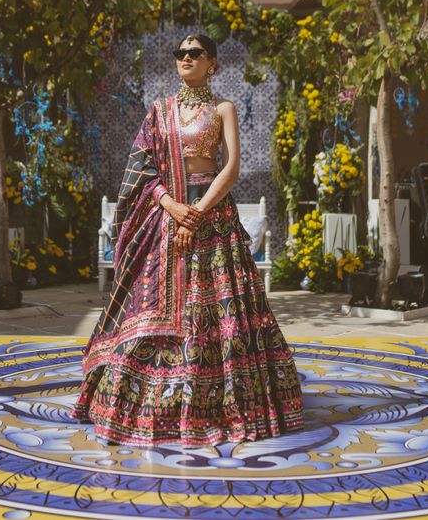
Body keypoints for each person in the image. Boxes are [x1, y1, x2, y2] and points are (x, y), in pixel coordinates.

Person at [71, 34, 304, 446]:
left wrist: (196, 214)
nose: (185, 58)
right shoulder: (160, 112)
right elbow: (144, 169)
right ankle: (144, 406)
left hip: (214, 220)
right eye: (180, 53)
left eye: (194, 53)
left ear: (212, 62)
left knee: (216, 315)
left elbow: (230, 167)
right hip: (168, 217)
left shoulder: (223, 109)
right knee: (150, 308)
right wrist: (174, 208)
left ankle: (224, 407)